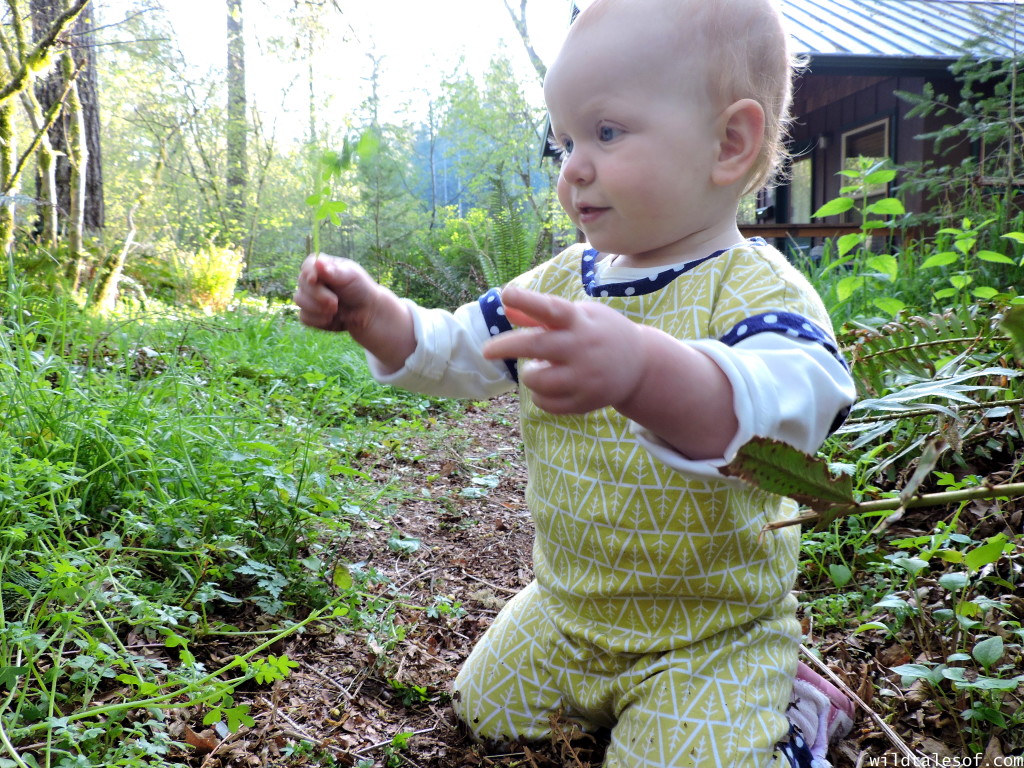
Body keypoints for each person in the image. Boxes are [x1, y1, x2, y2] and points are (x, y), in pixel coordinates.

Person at [294, 0, 857, 764]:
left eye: (607, 132)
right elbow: (461, 345)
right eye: (564, 141)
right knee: (482, 710)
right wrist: (379, 316)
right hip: (570, 612)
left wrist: (643, 368)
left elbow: (791, 409)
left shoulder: (759, 293)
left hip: (710, 632)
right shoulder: (563, 282)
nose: (574, 167)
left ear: (729, 143)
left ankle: (791, 712)